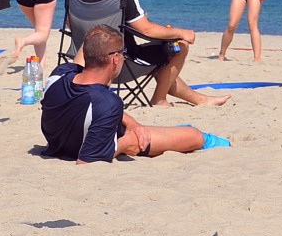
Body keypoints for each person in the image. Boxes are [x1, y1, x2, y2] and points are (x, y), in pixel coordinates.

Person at [71, 0, 229, 108]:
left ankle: (200, 99)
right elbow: (146, 30)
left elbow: (72, 25)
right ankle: (159, 99)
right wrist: (181, 33)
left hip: (84, 64)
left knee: (162, 62)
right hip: (120, 64)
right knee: (179, 46)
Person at [41, 24, 230, 162]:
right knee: (194, 136)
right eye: (122, 53)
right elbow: (88, 159)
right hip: (95, 140)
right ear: (115, 59)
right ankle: (205, 139)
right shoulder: (107, 104)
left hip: (59, 141)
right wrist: (126, 143)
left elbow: (87, 47)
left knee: (93, 48)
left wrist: (133, 123)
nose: (124, 57)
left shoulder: (59, 74)